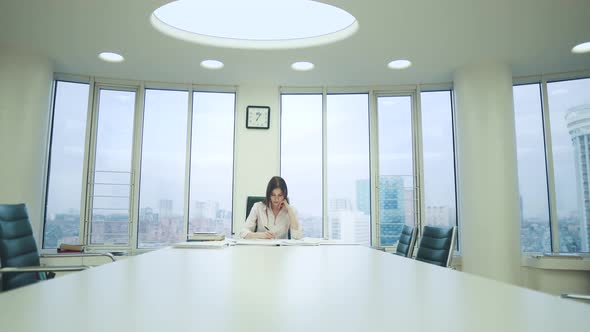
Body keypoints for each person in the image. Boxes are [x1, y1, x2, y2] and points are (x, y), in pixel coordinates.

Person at [239, 176, 303, 239]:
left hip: (282, 249)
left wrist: (289, 210)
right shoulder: (258, 207)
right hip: (261, 248)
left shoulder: (291, 210)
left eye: (280, 195)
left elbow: (297, 236)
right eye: (273, 195)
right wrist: (261, 235)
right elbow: (243, 232)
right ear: (269, 194)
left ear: (284, 195)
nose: (276, 199)